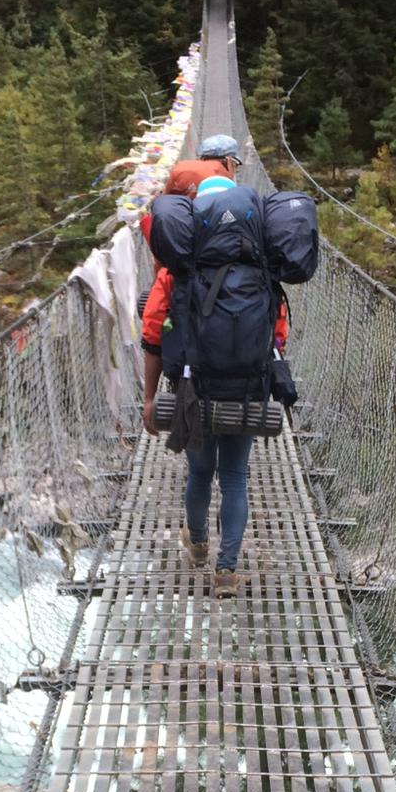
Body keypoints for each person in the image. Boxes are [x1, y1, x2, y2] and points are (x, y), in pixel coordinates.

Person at [139, 166, 288, 598]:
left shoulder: (177, 270)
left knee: (201, 473)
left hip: (193, 389)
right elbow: (278, 335)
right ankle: (226, 571)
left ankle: (199, 543)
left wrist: (150, 399)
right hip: (247, 387)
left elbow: (152, 334)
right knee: (237, 476)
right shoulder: (265, 271)